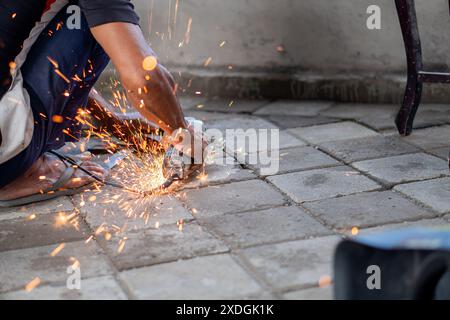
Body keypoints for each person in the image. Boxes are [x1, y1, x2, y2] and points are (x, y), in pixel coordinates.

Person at [0, 0, 205, 205]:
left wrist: (112, 121)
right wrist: (182, 132)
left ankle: (23, 149)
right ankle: (31, 170)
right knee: (91, 18)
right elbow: (142, 76)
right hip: (6, 164)